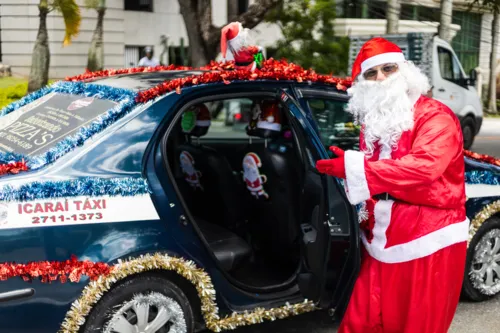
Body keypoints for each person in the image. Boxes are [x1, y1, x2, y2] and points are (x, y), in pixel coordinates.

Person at [316, 37, 468, 333]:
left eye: (388, 69)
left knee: (415, 325)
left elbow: (425, 167)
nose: (380, 78)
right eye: (371, 74)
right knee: (361, 322)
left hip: (428, 240)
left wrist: (353, 168)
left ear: (405, 72)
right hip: (382, 239)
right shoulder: (373, 123)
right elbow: (382, 169)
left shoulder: (435, 116)